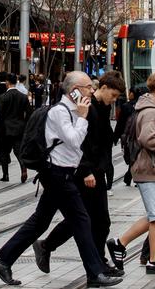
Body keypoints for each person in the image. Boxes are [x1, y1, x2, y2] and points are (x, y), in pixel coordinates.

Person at [0, 72, 122, 289]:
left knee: (40, 221)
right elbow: (74, 141)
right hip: (57, 174)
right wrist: (82, 117)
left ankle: (4, 261)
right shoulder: (60, 112)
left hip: (63, 174)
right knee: (81, 220)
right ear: (75, 90)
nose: (92, 90)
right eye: (88, 87)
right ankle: (95, 272)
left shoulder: (74, 110)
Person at [37, 71, 124, 276]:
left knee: (93, 220)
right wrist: (86, 171)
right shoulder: (87, 108)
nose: (114, 100)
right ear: (103, 88)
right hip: (85, 173)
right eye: (113, 95)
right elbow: (79, 142)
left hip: (97, 171)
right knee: (88, 220)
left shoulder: (102, 108)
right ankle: (93, 261)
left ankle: (49, 246)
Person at [107, 71, 155, 275]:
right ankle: (152, 260)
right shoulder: (151, 111)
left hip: (151, 168)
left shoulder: (150, 108)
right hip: (151, 168)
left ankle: (123, 245)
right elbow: (148, 139)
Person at [0, 73, 32, 182]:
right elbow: (29, 113)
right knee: (18, 151)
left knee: (4, 152)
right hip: (19, 128)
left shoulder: (3, 97)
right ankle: (23, 168)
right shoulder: (23, 97)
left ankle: (5, 175)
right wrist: (24, 124)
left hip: (5, 129)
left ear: (7, 82)